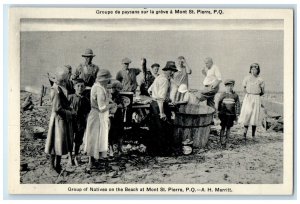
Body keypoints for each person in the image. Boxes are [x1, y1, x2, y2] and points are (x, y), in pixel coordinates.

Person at [84, 69, 116, 173]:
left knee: (94, 139)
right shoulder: (99, 89)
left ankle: (93, 163)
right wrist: (112, 105)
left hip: (95, 114)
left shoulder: (98, 87)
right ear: (104, 80)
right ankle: (92, 164)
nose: (108, 82)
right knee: (96, 139)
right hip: (97, 115)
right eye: (107, 80)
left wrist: (109, 101)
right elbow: (102, 107)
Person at [45, 66, 75, 175]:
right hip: (58, 120)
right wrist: (70, 113)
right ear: (63, 78)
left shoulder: (61, 88)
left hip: (62, 119)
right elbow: (57, 108)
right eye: (67, 77)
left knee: (60, 143)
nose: (68, 79)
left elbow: (64, 103)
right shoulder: (56, 89)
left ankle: (58, 166)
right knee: (54, 143)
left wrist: (69, 109)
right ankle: (52, 166)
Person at [148, 61, 177, 155]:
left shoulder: (159, 77)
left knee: (155, 128)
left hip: (154, 104)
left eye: (173, 71)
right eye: (171, 71)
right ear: (167, 70)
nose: (172, 73)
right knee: (163, 129)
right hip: (159, 105)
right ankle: (163, 152)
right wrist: (162, 113)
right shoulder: (164, 80)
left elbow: (150, 90)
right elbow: (161, 98)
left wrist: (163, 97)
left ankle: (153, 151)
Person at [238, 63, 265, 143]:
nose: (254, 71)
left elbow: (263, 91)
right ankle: (244, 135)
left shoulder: (261, 80)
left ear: (258, 70)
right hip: (248, 97)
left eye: (255, 69)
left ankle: (253, 135)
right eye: (252, 69)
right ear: (250, 70)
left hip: (256, 98)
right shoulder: (247, 78)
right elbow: (244, 88)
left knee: (254, 115)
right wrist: (249, 94)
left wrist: (256, 95)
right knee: (247, 114)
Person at [68, 78, 91, 166]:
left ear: (84, 88)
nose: (80, 88)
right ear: (74, 87)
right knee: (70, 139)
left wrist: (86, 122)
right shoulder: (70, 97)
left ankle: (76, 156)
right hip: (71, 121)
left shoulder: (86, 100)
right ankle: (70, 157)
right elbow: (65, 108)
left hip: (81, 122)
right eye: (78, 86)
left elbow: (88, 112)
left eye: (82, 86)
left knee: (78, 140)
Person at [216, 79, 240, 148]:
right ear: (225, 87)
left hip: (231, 115)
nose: (229, 87)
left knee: (228, 128)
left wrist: (237, 114)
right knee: (223, 127)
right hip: (223, 114)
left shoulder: (235, 95)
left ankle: (227, 141)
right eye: (228, 86)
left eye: (231, 86)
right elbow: (219, 103)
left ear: (233, 86)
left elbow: (238, 105)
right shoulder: (223, 95)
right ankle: (221, 142)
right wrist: (218, 112)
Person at [108, 80, 124, 156]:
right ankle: (111, 149)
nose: (113, 89)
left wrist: (115, 106)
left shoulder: (118, 95)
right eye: (112, 88)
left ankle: (120, 149)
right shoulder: (107, 95)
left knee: (120, 132)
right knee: (110, 132)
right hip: (110, 116)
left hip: (118, 115)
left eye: (114, 88)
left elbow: (122, 105)